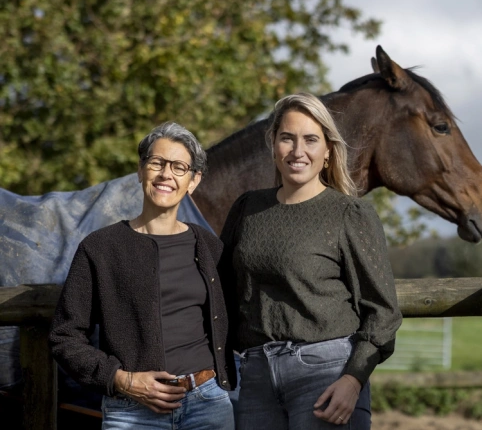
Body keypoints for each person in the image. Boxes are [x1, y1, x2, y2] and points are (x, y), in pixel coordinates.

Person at [218, 92, 402, 429]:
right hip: (255, 374)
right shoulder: (247, 208)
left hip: (327, 374)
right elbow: (220, 289)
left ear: (328, 150)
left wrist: (354, 379)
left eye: (311, 140)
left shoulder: (350, 213)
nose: (297, 150)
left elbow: (383, 312)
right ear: (273, 144)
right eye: (287, 138)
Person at [49, 122, 236, 429]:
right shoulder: (101, 247)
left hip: (207, 405)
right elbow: (64, 336)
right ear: (140, 171)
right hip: (131, 410)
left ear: (193, 180)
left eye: (179, 167)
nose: (166, 175)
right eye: (157, 163)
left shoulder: (209, 246)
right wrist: (121, 379)